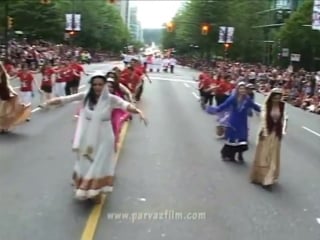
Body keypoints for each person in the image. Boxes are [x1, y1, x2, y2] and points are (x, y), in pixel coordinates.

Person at [43, 71, 148, 203]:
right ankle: (84, 186)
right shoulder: (86, 96)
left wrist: (139, 111)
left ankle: (96, 190)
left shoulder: (111, 99)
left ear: (104, 85)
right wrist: (48, 102)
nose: (97, 87)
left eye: (100, 84)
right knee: (86, 161)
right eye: (95, 84)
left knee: (100, 163)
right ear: (91, 85)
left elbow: (125, 105)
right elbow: (65, 99)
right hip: (87, 135)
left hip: (104, 136)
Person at [206, 82, 261, 163]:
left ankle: (240, 155)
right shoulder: (233, 98)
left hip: (242, 122)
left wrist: (264, 111)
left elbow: (254, 106)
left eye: (244, 89)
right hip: (233, 121)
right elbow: (224, 105)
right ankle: (228, 155)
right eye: (240, 88)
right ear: (237, 89)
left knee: (242, 139)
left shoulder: (247, 99)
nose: (242, 90)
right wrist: (215, 109)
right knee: (232, 139)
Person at [250, 88, 288, 190]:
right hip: (266, 135)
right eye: (275, 97)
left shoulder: (282, 105)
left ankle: (268, 180)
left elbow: (284, 118)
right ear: (271, 97)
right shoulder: (266, 106)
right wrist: (265, 132)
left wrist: (283, 130)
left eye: (278, 97)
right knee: (263, 157)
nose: (276, 99)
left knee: (273, 158)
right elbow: (263, 119)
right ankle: (260, 177)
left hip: (276, 136)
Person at [0, 62, 31, 133]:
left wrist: (13, 92)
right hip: (3, 96)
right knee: (3, 113)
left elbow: (8, 86)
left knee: (8, 112)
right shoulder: (4, 75)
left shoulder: (5, 76)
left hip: (8, 95)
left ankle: (5, 127)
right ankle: (3, 127)